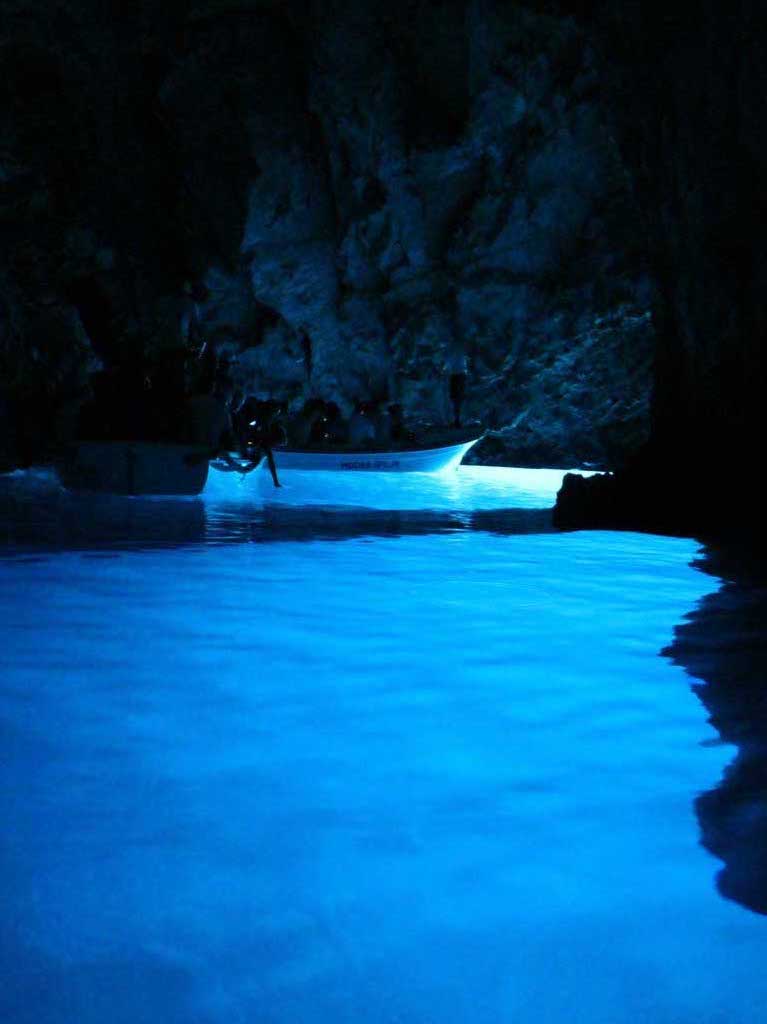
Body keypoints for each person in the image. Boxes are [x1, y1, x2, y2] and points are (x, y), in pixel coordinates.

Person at [445, 348, 468, 428]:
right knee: (456, 399)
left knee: (457, 399)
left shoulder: (454, 350)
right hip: (457, 375)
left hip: (458, 375)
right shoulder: (455, 350)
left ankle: (458, 420)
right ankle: (457, 420)